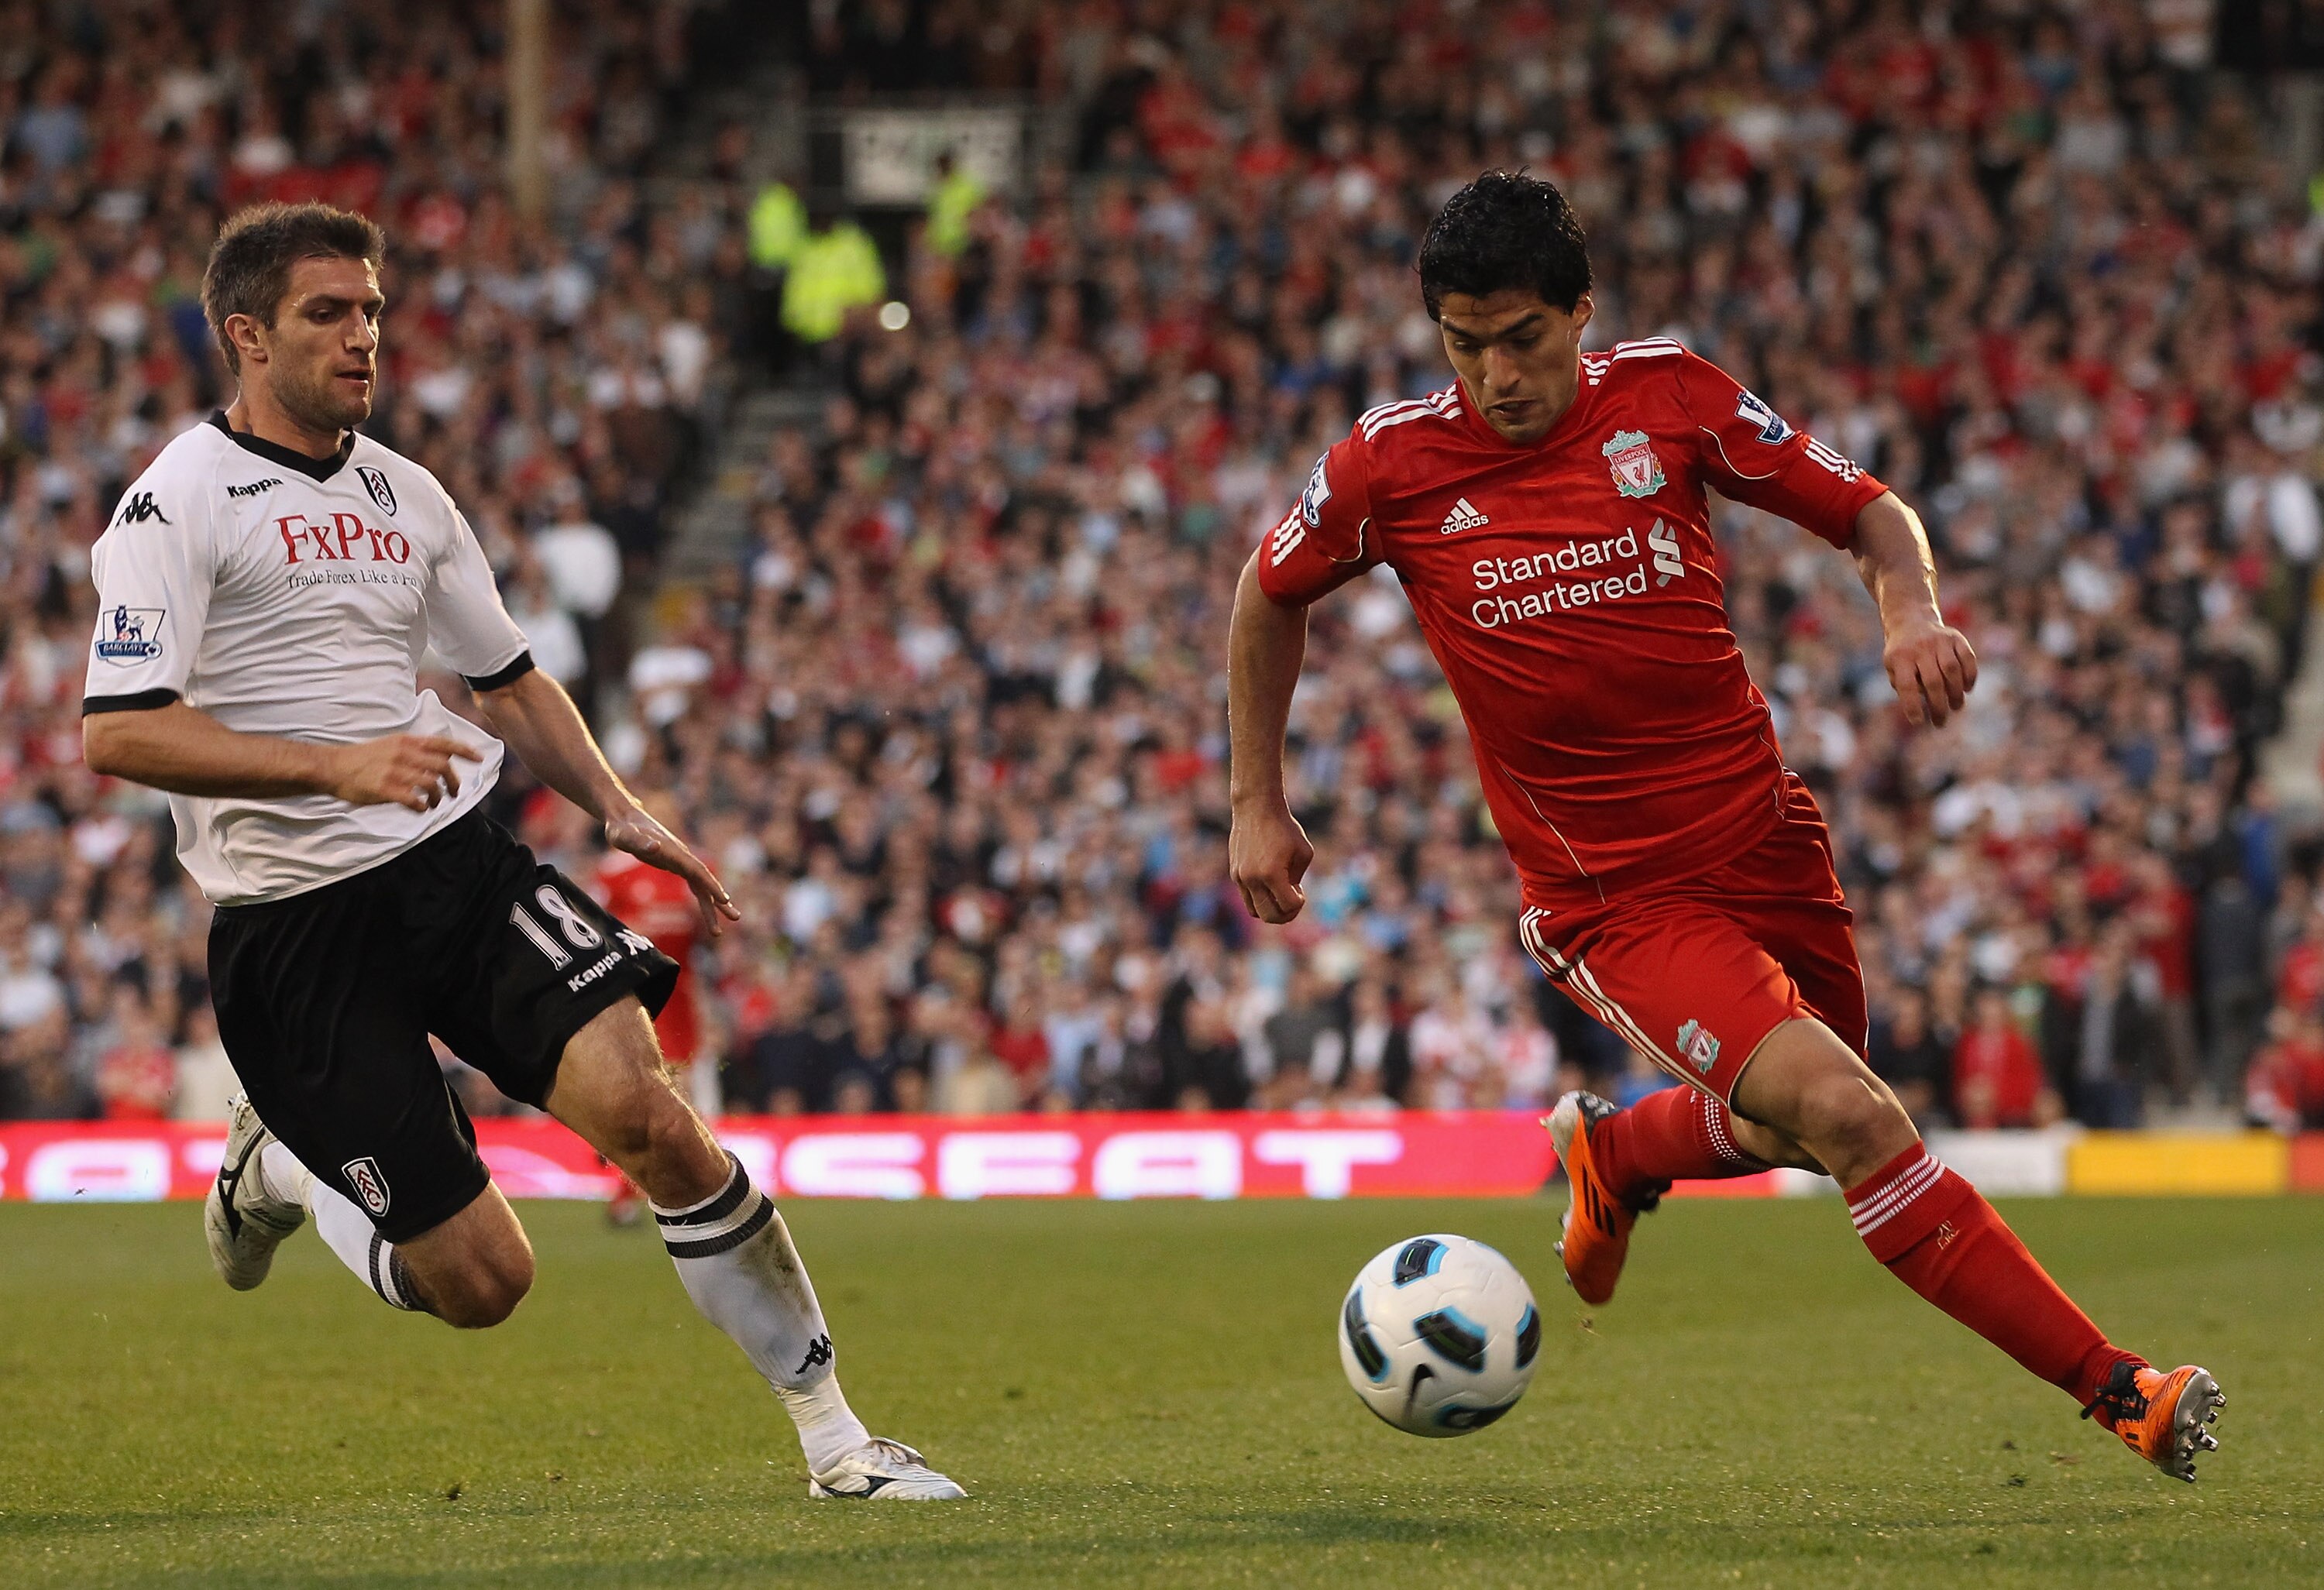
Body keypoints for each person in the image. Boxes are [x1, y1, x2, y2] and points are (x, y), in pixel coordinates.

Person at [1226, 172, 2222, 1482]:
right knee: (1855, 1119)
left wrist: (1910, 611)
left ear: (1581, 312)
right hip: (1617, 896)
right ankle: (2122, 1387)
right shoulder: (1389, 464)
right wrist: (1257, 798)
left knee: (1803, 1121)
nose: (1496, 375)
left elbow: (1867, 511)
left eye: (1523, 338)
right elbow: (1268, 590)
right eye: (1465, 346)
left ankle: (1618, 1146)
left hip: (1765, 838)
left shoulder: (1673, 396)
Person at [81, 202, 961, 1502]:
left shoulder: (407, 492)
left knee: (654, 1117)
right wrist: (334, 764)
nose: (366, 335)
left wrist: (617, 806)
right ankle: (274, 1163)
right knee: (485, 1285)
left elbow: (504, 678)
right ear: (247, 338)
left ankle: (837, 1438)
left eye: (373, 309)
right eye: (330, 313)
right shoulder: (174, 505)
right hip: (294, 927)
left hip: (453, 868)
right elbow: (118, 732)